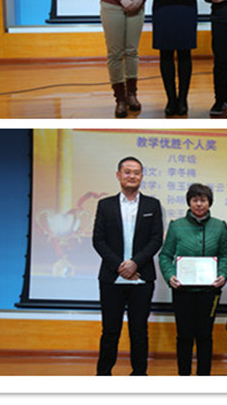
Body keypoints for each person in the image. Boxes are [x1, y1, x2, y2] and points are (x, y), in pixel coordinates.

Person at [92, 156, 163, 376]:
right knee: (110, 331)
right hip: (111, 278)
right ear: (118, 175)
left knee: (139, 331)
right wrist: (120, 266)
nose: (132, 176)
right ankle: (104, 374)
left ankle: (139, 374)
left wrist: (134, 263)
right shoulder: (105, 205)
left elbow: (156, 239)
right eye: (127, 171)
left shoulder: (152, 204)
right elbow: (98, 240)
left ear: (142, 176)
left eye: (136, 172)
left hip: (142, 277)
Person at [159, 183, 227, 376]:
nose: (199, 204)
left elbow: (225, 255)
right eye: (195, 200)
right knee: (184, 336)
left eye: (203, 200)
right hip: (183, 291)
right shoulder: (176, 226)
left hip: (209, 291)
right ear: (189, 202)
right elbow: (165, 255)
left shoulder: (220, 226)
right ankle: (184, 375)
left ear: (209, 202)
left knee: (205, 336)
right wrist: (170, 276)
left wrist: (223, 274)